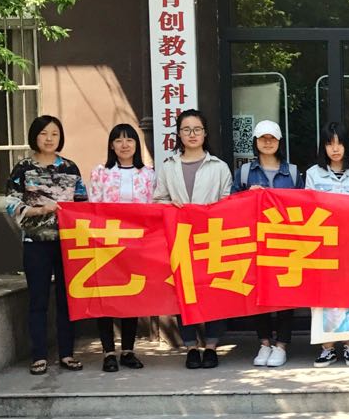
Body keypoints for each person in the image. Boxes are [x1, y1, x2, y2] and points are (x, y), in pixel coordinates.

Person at [6, 115, 89, 375]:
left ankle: (67, 354)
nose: (49, 138)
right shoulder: (23, 168)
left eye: (54, 134)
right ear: (35, 136)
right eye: (44, 133)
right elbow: (11, 203)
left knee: (67, 299)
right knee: (38, 299)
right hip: (36, 242)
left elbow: (83, 204)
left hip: (68, 244)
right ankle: (39, 356)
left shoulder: (70, 168)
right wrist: (40, 210)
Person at [153, 109, 233, 370]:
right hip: (180, 238)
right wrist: (171, 206)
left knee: (214, 291)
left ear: (205, 133)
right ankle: (190, 347)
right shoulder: (169, 166)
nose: (192, 134)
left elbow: (228, 202)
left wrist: (210, 212)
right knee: (183, 291)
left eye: (197, 129)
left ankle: (211, 346)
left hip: (212, 237)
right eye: (186, 129)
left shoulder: (219, 167)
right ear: (178, 134)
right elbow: (158, 199)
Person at [88, 123, 157, 372]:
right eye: (118, 140)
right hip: (106, 244)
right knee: (105, 298)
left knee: (130, 295)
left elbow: (154, 208)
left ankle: (128, 350)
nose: (124, 145)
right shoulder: (100, 172)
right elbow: (93, 206)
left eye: (129, 140)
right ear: (111, 145)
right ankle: (108, 351)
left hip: (136, 245)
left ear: (137, 145)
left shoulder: (148, 174)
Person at [232, 119, 300, 368]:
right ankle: (264, 343)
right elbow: (230, 205)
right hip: (254, 242)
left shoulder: (293, 172)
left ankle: (281, 345)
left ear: (280, 141)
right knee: (258, 293)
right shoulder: (244, 173)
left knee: (285, 294)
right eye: (263, 138)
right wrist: (247, 196)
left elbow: (303, 207)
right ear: (256, 142)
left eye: (272, 138)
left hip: (285, 242)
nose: (268, 142)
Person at [304, 121, 349, 367]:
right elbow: (308, 210)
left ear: (347, 145)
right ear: (323, 147)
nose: (335, 149)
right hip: (323, 246)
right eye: (330, 144)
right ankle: (327, 348)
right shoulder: (313, 174)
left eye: (340, 143)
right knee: (323, 297)